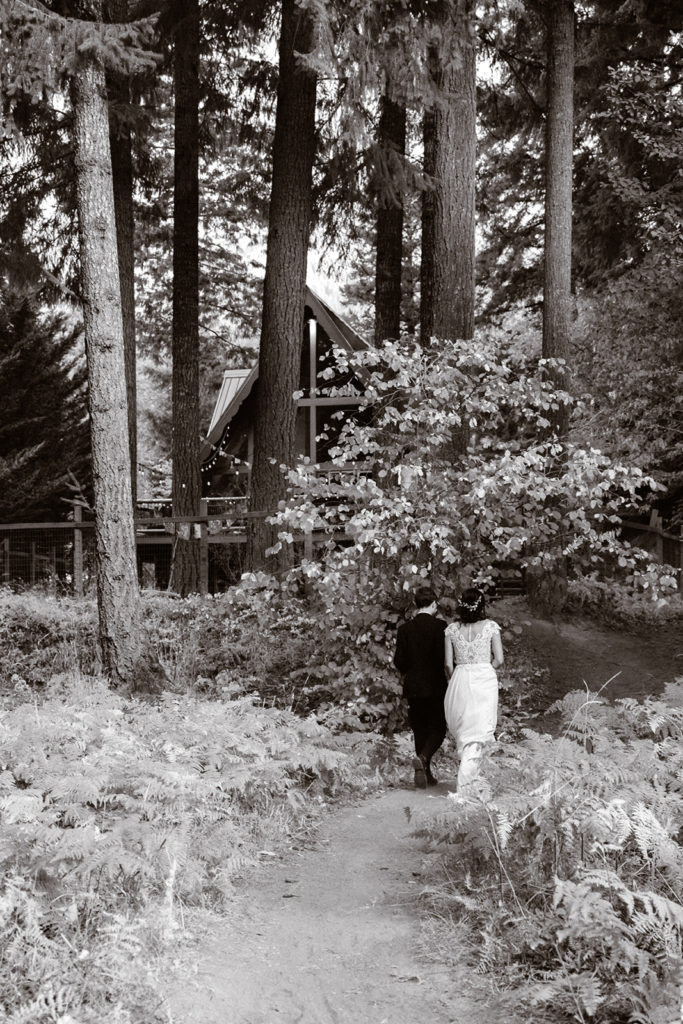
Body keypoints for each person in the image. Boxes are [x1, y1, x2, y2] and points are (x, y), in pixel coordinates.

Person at [444, 587, 504, 793]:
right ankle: (469, 784)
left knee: (465, 730)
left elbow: (448, 665)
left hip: (460, 678)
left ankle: (472, 781)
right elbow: (499, 659)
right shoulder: (490, 627)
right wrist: (485, 668)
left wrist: (459, 675)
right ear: (481, 605)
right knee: (480, 729)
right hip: (484, 679)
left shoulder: (452, 630)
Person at [394, 586, 448, 789]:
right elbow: (444, 658)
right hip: (435, 683)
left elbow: (399, 661)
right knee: (439, 727)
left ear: (416, 605)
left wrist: (411, 669)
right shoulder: (441, 627)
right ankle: (424, 758)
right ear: (434, 604)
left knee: (419, 728)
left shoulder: (404, 629)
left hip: (414, 684)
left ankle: (425, 773)